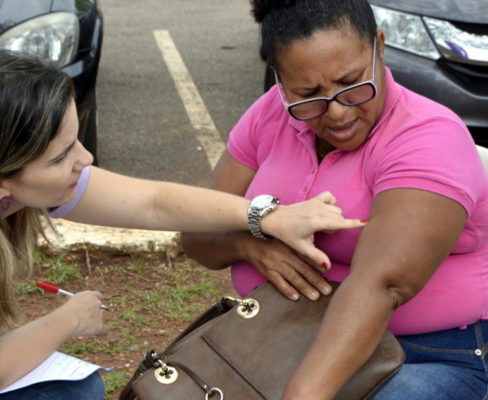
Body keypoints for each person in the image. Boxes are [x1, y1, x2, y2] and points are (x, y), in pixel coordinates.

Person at [0, 50, 365, 400]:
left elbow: (154, 203)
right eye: (62, 157)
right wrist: (70, 318)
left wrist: (267, 215)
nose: (86, 159)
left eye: (76, 140)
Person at [181, 0, 488, 399]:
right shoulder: (272, 114)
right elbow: (196, 234)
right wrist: (249, 244)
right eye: (308, 93)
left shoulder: (428, 137)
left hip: (423, 353)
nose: (337, 112)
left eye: (352, 82)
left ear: (379, 46)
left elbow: (382, 283)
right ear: (279, 78)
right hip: (277, 338)